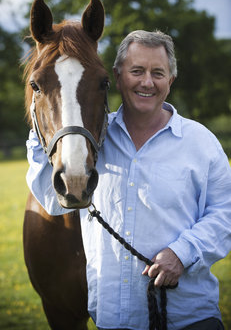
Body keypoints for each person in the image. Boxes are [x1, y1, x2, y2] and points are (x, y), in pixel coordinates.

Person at [26, 30, 231, 330]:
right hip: (115, 319)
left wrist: (182, 253)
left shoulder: (201, 143)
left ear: (170, 80)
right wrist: (43, 109)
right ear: (118, 77)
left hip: (189, 317)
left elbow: (226, 213)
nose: (147, 82)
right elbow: (53, 203)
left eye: (158, 73)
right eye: (137, 71)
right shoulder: (91, 143)